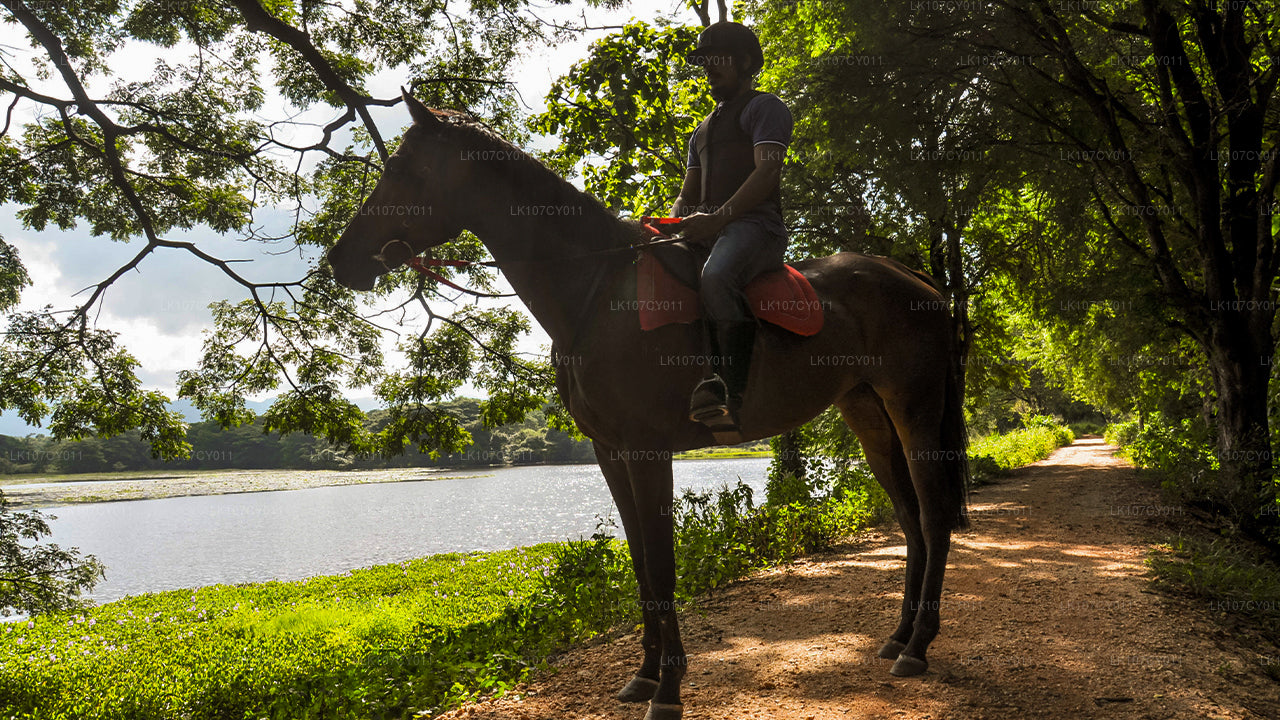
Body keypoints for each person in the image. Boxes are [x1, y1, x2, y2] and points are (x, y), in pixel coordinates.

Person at [672, 21, 793, 431]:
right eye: (704, 61)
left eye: (716, 59)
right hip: (710, 230)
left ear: (745, 61)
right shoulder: (701, 131)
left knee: (717, 276)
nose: (708, 68)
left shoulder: (766, 108)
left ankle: (731, 392)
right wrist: (667, 227)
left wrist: (720, 219)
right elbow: (686, 196)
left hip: (757, 227)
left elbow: (767, 174)